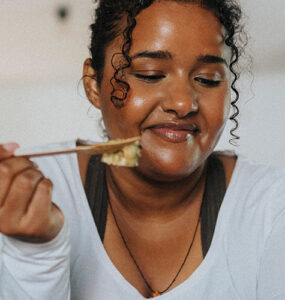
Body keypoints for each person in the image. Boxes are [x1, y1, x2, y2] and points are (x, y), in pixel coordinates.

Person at [0, 0, 285, 299]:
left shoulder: (270, 208)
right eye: (150, 74)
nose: (183, 103)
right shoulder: (33, 190)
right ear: (94, 85)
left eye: (207, 79)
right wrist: (35, 253)